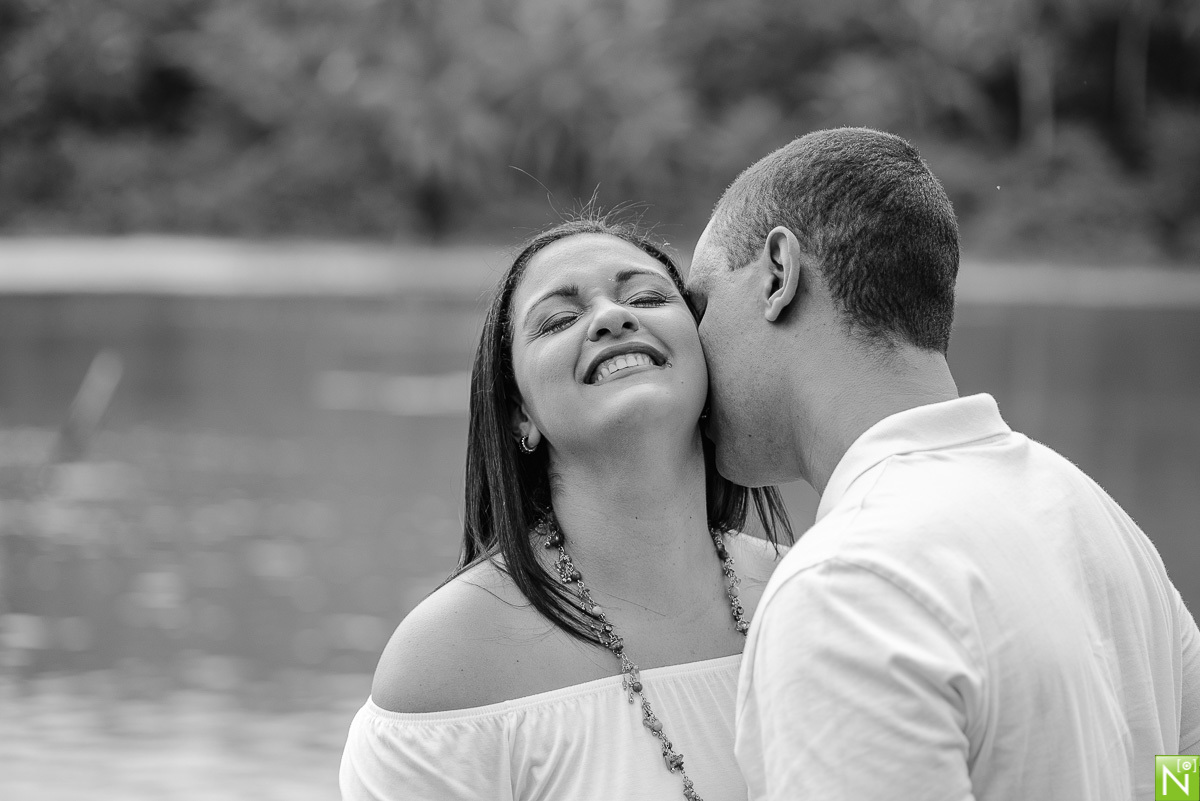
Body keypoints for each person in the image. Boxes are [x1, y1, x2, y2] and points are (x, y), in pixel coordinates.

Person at [685, 126, 1200, 800]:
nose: (689, 342)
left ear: (778, 273)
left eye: (699, 302)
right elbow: (1183, 769)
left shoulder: (847, 588)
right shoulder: (1095, 515)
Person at [339, 215, 792, 800]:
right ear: (518, 413)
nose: (611, 317)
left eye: (648, 297)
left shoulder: (807, 588)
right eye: (558, 319)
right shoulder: (445, 665)